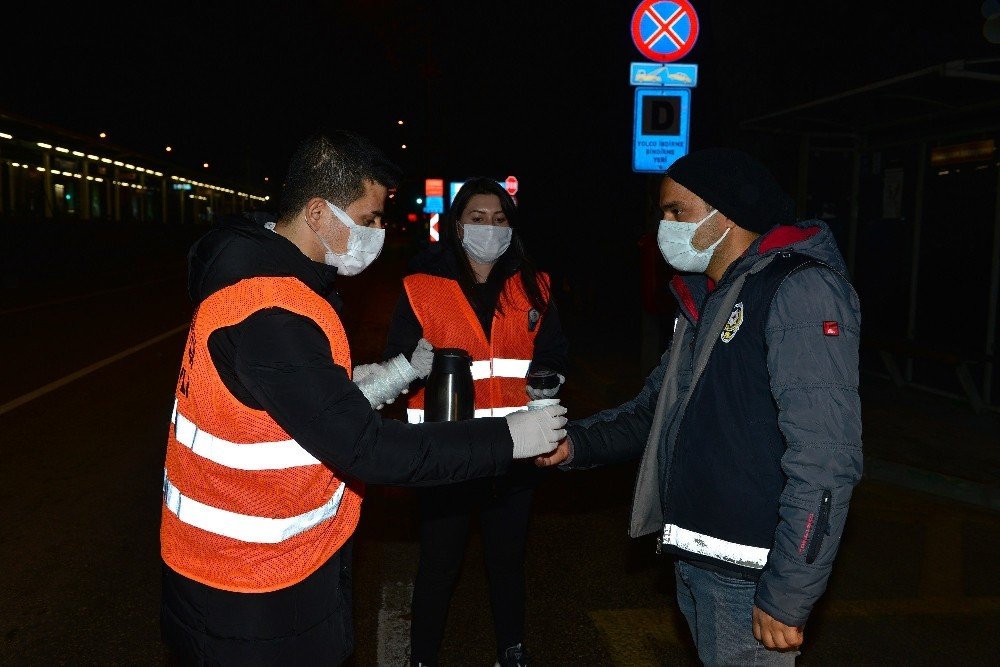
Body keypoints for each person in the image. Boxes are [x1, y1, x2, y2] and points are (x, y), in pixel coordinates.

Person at [158, 129, 568, 665]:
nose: (377, 231)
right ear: (317, 212)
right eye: (369, 217)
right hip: (250, 586)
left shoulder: (277, 285)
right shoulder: (270, 313)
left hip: (261, 569)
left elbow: (309, 404)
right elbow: (366, 447)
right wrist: (506, 437)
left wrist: (394, 374)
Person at [537, 147, 863, 665]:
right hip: (699, 559)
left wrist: (789, 592)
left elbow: (825, 458)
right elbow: (655, 412)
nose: (663, 226)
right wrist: (571, 444)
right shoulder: (708, 299)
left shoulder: (799, 290)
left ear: (725, 213)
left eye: (676, 212)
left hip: (752, 574)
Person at [383, 177, 569, 667]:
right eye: (478, 219)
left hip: (515, 451)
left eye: (501, 219)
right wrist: (410, 364)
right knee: (440, 564)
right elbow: (396, 362)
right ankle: (423, 657)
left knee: (507, 563)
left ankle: (512, 650)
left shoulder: (536, 285)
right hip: (446, 454)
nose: (491, 228)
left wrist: (546, 386)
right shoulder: (422, 285)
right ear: (457, 225)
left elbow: (553, 355)